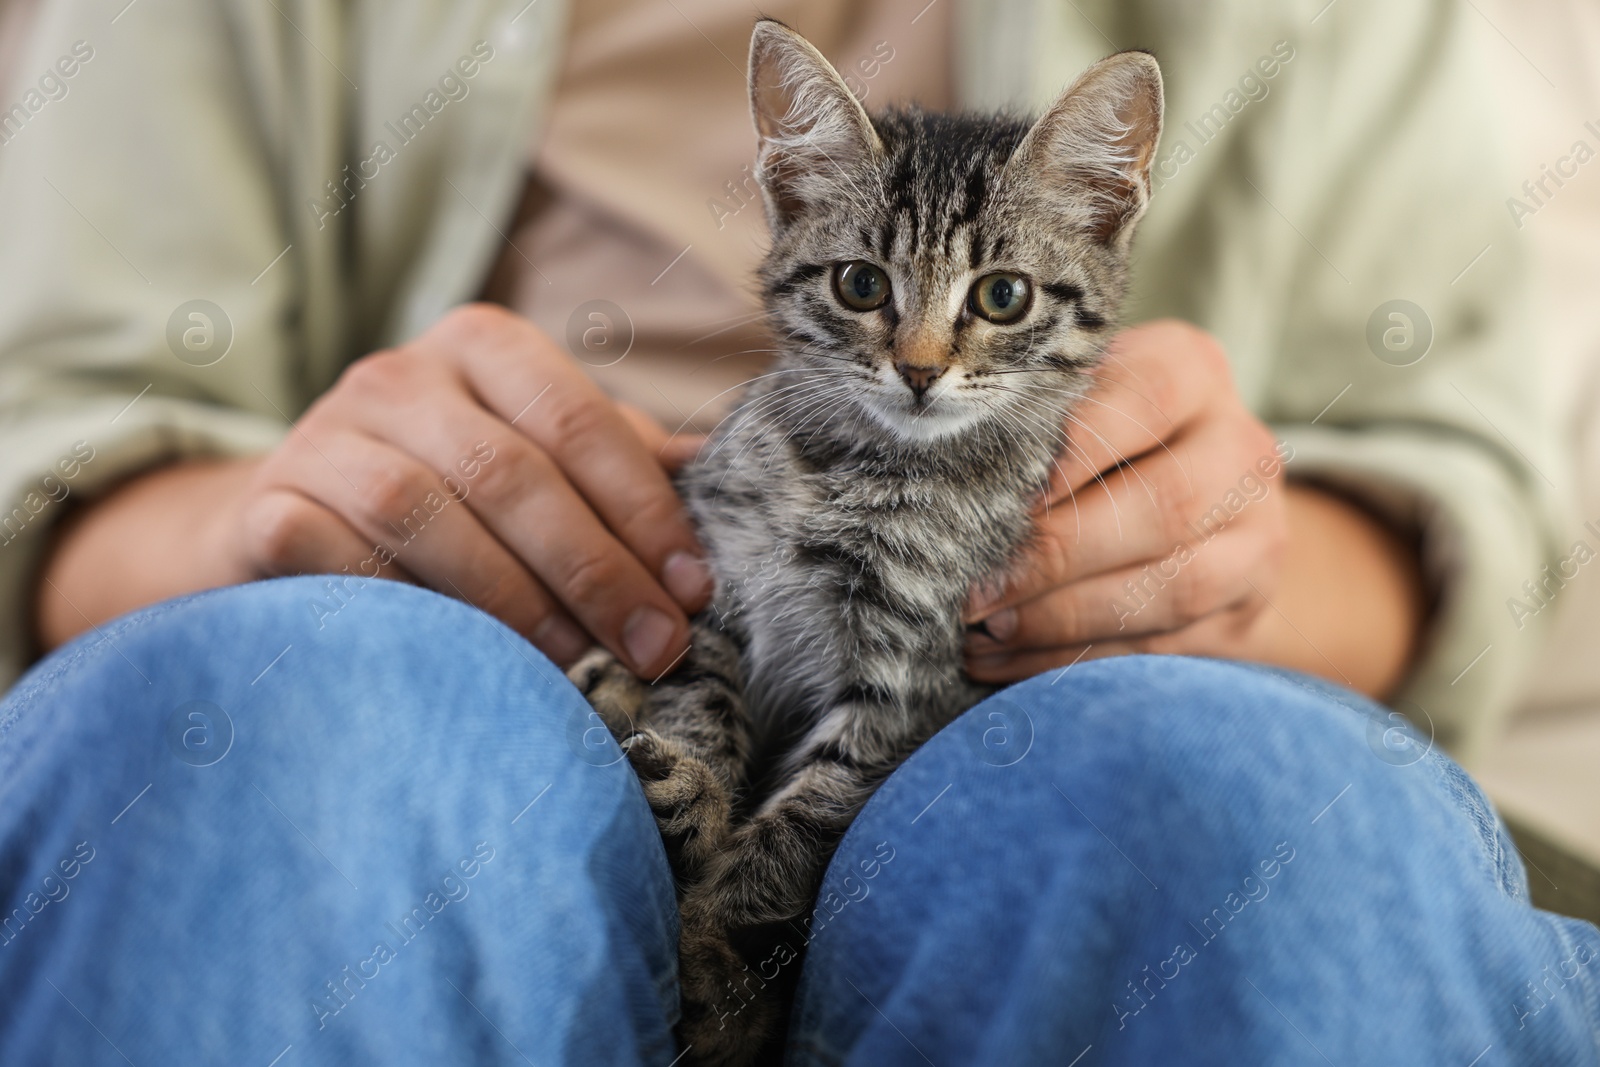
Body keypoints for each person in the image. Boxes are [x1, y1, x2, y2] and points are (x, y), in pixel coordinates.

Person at [0, 0, 1593, 1063]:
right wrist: (276, 516)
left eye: (981, 303)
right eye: (864, 293)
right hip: (456, 633)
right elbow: (55, 416)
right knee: (296, 738)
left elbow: (1459, 474)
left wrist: (1233, 570)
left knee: (1219, 804)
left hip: (1087, 682)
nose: (919, 353)